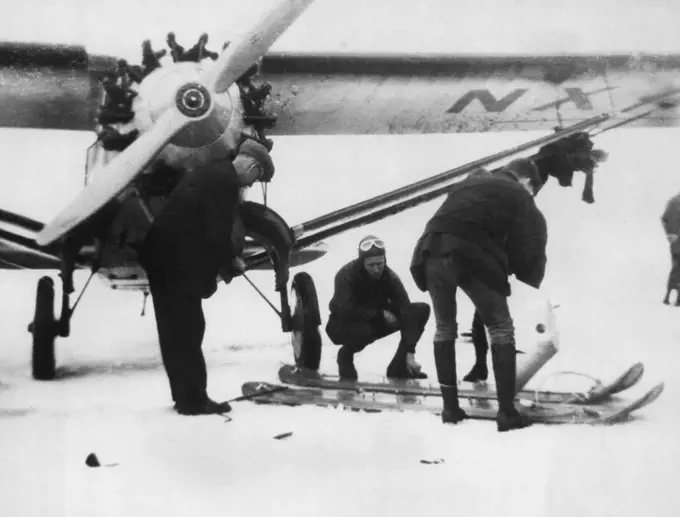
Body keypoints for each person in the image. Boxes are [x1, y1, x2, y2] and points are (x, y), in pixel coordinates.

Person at [138, 137, 275, 416]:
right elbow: (216, 233)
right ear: (251, 165)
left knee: (174, 332)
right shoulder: (224, 183)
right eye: (256, 177)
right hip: (174, 262)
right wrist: (231, 263)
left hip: (162, 258)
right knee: (188, 330)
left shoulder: (213, 173)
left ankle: (185, 397)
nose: (249, 184)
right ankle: (194, 400)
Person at [410, 158, 548, 432]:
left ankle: (450, 409)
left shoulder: (468, 183)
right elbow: (533, 240)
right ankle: (507, 413)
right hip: (471, 251)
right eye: (534, 189)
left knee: (445, 327)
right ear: (527, 181)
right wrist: (524, 275)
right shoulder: (520, 193)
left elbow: (456, 216)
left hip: (430, 248)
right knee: (500, 327)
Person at [325, 235, 431, 380]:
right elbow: (346, 310)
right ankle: (345, 356)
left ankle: (399, 366)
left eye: (380, 264)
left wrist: (410, 352)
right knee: (364, 330)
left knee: (420, 310)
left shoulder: (390, 277)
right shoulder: (345, 275)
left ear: (385, 261)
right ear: (362, 263)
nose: (376, 269)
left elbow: (407, 312)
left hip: (376, 321)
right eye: (371, 265)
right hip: (343, 325)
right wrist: (380, 314)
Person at [661, 192, 680, 305]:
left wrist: (669, 234)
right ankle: (676, 298)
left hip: (674, 244)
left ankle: (668, 296)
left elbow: (664, 218)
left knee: (675, 268)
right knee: (678, 270)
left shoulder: (671, 202)